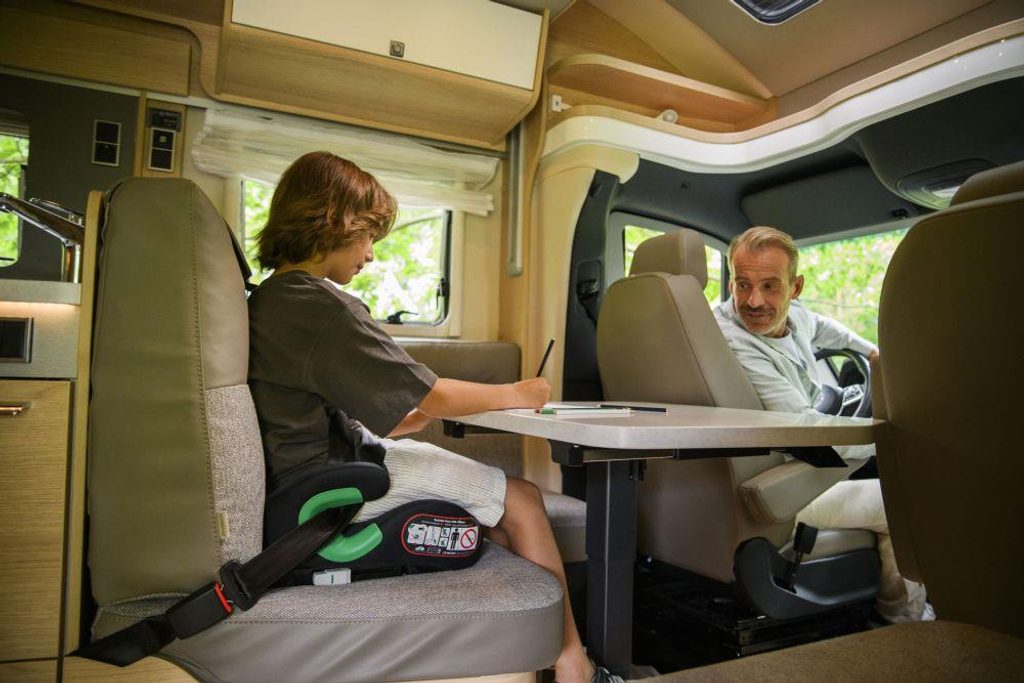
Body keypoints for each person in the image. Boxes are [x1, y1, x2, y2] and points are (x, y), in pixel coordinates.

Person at [247, 151, 621, 683]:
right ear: (335, 221)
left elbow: (375, 409)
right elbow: (435, 395)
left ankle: (528, 654)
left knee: (497, 512)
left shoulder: (272, 299)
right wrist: (518, 392)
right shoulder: (318, 306)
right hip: (330, 484)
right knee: (523, 499)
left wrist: (413, 414)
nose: (370, 254)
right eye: (367, 236)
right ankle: (574, 667)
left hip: (318, 468)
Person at [713, 225, 930, 623]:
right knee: (904, 504)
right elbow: (808, 430)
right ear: (731, 283)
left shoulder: (794, 316)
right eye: (743, 285)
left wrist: (873, 353)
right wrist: (886, 440)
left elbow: (824, 328)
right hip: (787, 486)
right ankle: (905, 623)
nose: (754, 301)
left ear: (795, 288)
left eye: (770, 286)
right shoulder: (732, 341)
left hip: (802, 465)